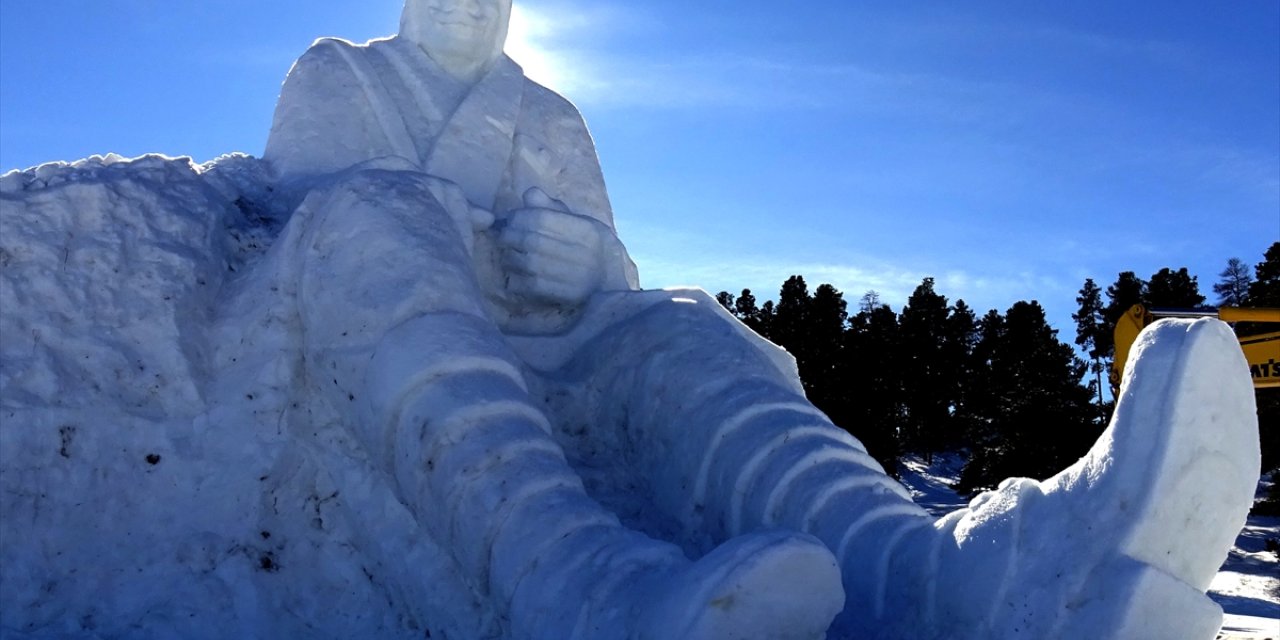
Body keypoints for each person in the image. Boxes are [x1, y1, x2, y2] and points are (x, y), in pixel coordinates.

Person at [262, 0, 1261, 638]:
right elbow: (310, 231)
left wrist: (591, 260)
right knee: (373, 216)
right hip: (412, 354)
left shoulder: (548, 114)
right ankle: (588, 591)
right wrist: (453, 238)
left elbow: (615, 270)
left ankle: (940, 577)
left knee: (690, 333)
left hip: (568, 350)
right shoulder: (337, 79)